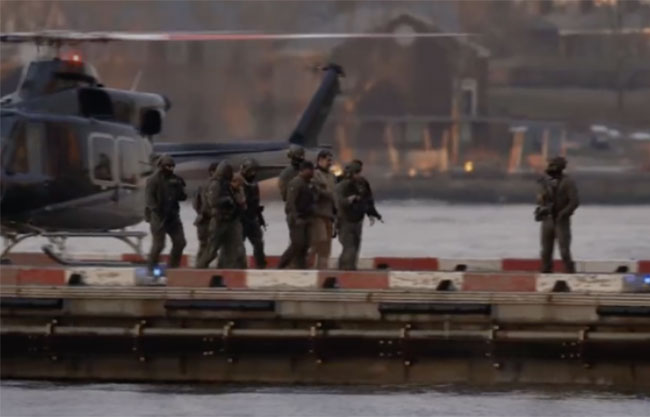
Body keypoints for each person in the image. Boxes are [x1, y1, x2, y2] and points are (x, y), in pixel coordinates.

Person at [196, 160, 245, 269]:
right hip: (218, 220)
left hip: (229, 220)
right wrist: (226, 200)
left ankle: (227, 269)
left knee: (233, 248)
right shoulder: (215, 184)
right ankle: (200, 268)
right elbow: (213, 201)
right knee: (211, 250)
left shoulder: (227, 185)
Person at [335, 160, 382, 270]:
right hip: (345, 220)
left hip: (358, 219)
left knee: (356, 245)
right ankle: (345, 268)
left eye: (359, 172)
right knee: (349, 246)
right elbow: (338, 202)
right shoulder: (342, 185)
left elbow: (368, 199)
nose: (359, 175)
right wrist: (349, 200)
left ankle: (350, 267)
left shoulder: (363, 184)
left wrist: (372, 213)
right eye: (356, 173)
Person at [536, 156, 580, 273]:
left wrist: (564, 213)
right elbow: (541, 199)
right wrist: (541, 205)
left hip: (561, 220)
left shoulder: (568, 182)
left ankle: (569, 270)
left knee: (564, 250)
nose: (549, 167)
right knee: (545, 251)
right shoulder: (546, 182)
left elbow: (574, 202)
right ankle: (546, 270)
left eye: (552, 165)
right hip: (547, 219)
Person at [145, 154, 187, 273]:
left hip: (173, 217)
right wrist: (157, 210)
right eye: (167, 166)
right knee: (159, 245)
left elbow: (182, 197)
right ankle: (151, 268)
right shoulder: (153, 180)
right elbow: (149, 199)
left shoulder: (175, 179)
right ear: (161, 166)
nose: (170, 168)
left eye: (172, 166)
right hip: (158, 217)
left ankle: (173, 267)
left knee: (180, 242)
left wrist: (179, 187)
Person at [277, 161, 315, 269]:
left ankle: (301, 266)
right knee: (297, 244)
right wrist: (296, 217)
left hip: (306, 217)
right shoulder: (296, 183)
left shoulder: (309, 183)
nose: (312, 172)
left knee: (305, 244)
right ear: (303, 170)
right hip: (297, 218)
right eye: (310, 170)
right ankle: (281, 265)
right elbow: (291, 202)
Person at [310, 150, 337, 269]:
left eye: (331, 160)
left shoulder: (332, 176)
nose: (330, 163)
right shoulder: (315, 174)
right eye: (328, 160)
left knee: (326, 245)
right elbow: (316, 191)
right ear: (320, 160)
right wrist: (329, 194)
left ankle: (322, 268)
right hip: (317, 214)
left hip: (329, 214)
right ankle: (306, 266)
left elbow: (335, 193)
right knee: (318, 241)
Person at [239, 158, 267, 269]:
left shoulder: (254, 184)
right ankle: (239, 267)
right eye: (250, 171)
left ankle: (261, 265)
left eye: (254, 171)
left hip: (252, 218)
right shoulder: (239, 183)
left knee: (258, 242)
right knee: (238, 245)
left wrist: (259, 217)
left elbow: (255, 202)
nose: (253, 173)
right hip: (241, 219)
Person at [193, 162, 218, 267]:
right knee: (207, 247)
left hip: (205, 219)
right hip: (207, 220)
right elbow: (197, 203)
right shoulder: (212, 185)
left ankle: (199, 266)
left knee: (205, 246)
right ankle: (200, 266)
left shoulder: (203, 185)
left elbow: (196, 204)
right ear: (212, 172)